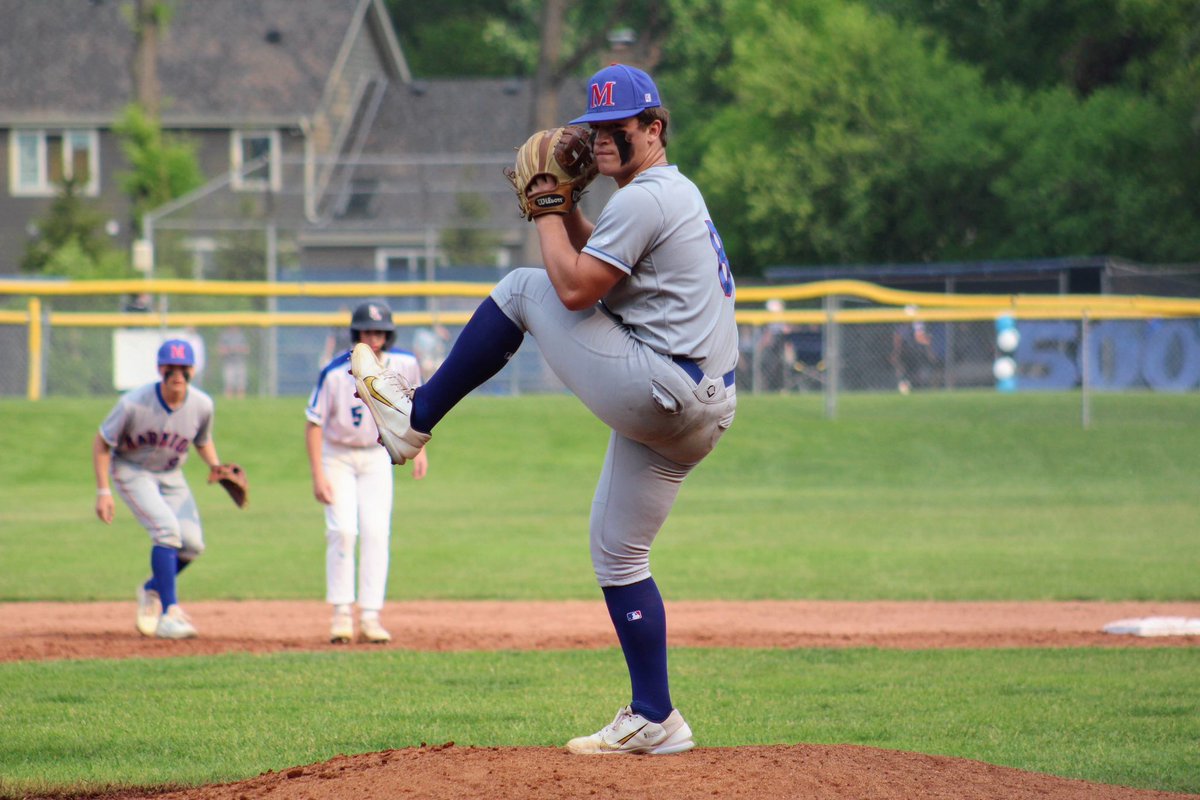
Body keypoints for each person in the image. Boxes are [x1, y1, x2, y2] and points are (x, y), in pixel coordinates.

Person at [351, 63, 737, 755]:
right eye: (597, 130)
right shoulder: (664, 195)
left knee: (525, 288)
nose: (605, 141)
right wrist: (566, 210)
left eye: (621, 128)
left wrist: (548, 208)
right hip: (695, 406)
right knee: (618, 555)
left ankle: (414, 418)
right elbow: (607, 264)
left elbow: (573, 289)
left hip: (664, 387)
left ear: (655, 128)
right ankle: (656, 716)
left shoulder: (647, 196)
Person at [305, 300, 428, 645]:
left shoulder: (404, 363)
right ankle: (342, 614)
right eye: (366, 331)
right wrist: (318, 475)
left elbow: (417, 406)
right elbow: (313, 424)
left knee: (376, 532)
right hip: (338, 456)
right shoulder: (333, 371)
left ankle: (371, 616)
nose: (372, 338)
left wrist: (420, 449)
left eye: (379, 332)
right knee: (343, 531)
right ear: (355, 334)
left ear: (388, 335)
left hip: (377, 455)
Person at [92, 339, 225, 639]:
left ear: (192, 370)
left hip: (171, 473)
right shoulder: (133, 403)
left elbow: (202, 440)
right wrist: (103, 492)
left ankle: (152, 589)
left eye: (183, 368)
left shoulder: (202, 405)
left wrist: (215, 466)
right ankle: (169, 613)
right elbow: (102, 442)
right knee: (167, 530)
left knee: (192, 545)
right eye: (171, 367)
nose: (177, 374)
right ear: (159, 368)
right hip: (132, 470)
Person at [890, 306, 940, 394]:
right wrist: (896, 353)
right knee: (901, 367)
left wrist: (928, 345)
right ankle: (904, 385)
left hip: (919, 352)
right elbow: (898, 339)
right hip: (908, 352)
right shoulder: (901, 325)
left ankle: (927, 388)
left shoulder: (918, 322)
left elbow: (920, 338)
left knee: (924, 371)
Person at [218, 326, 250, 398]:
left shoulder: (241, 336)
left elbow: (246, 350)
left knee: (241, 384)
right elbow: (221, 350)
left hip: (240, 361)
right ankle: (229, 400)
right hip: (229, 362)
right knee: (229, 383)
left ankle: (241, 401)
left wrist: (237, 349)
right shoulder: (225, 336)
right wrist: (231, 349)